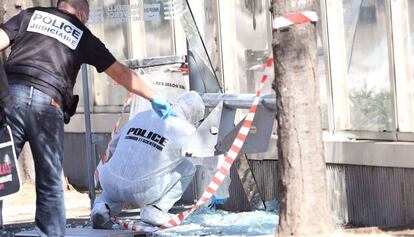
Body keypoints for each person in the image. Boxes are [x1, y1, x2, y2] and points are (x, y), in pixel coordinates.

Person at [0, 0, 173, 236]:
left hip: (12, 97)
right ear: (82, 12)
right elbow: (121, 73)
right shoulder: (82, 33)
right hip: (48, 103)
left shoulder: (30, 15)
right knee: (50, 180)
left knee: (2, 173)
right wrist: (154, 97)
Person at [91, 91, 205, 228]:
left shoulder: (143, 115)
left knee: (111, 191)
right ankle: (156, 209)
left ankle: (101, 208)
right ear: (194, 116)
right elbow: (205, 158)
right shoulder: (187, 130)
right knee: (189, 166)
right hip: (144, 190)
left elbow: (114, 144)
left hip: (110, 181)